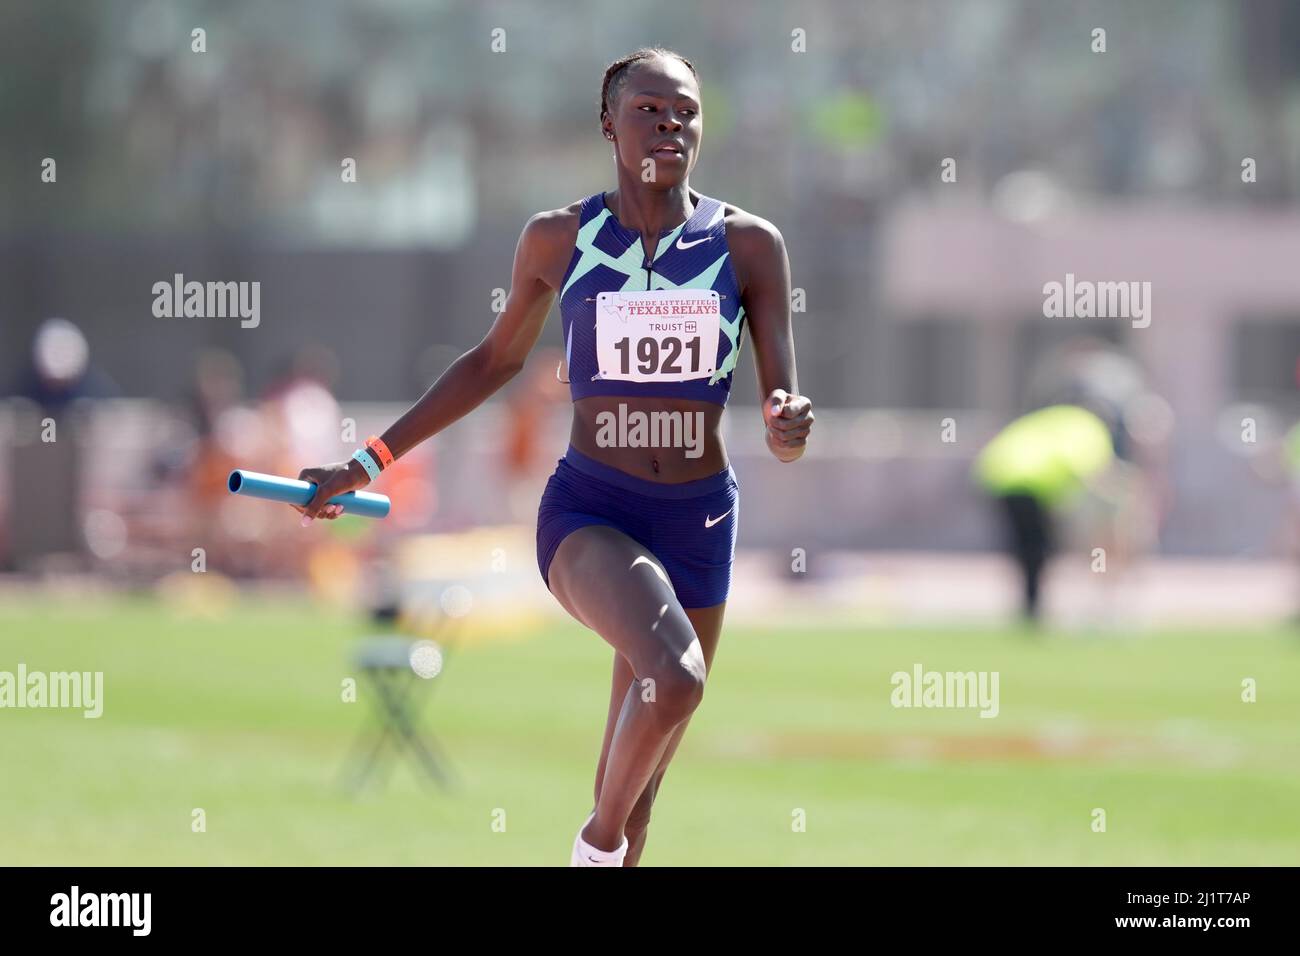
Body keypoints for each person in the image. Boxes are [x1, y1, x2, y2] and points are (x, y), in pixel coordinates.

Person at [287, 48, 813, 866]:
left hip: (701, 520)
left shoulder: (747, 246)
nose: (670, 124)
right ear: (609, 122)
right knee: (674, 681)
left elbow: (783, 396)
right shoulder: (560, 238)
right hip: (591, 514)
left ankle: (613, 840)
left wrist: (786, 422)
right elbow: (491, 362)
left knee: (643, 791)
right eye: (649, 109)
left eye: (686, 112)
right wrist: (366, 463)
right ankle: (591, 848)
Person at [972, 404, 1116, 622]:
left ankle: (1031, 606)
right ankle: (1033, 609)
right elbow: (1086, 471)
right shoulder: (1089, 429)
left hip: (997, 476)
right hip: (1027, 484)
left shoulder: (1056, 419)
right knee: (1037, 549)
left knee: (1028, 549)